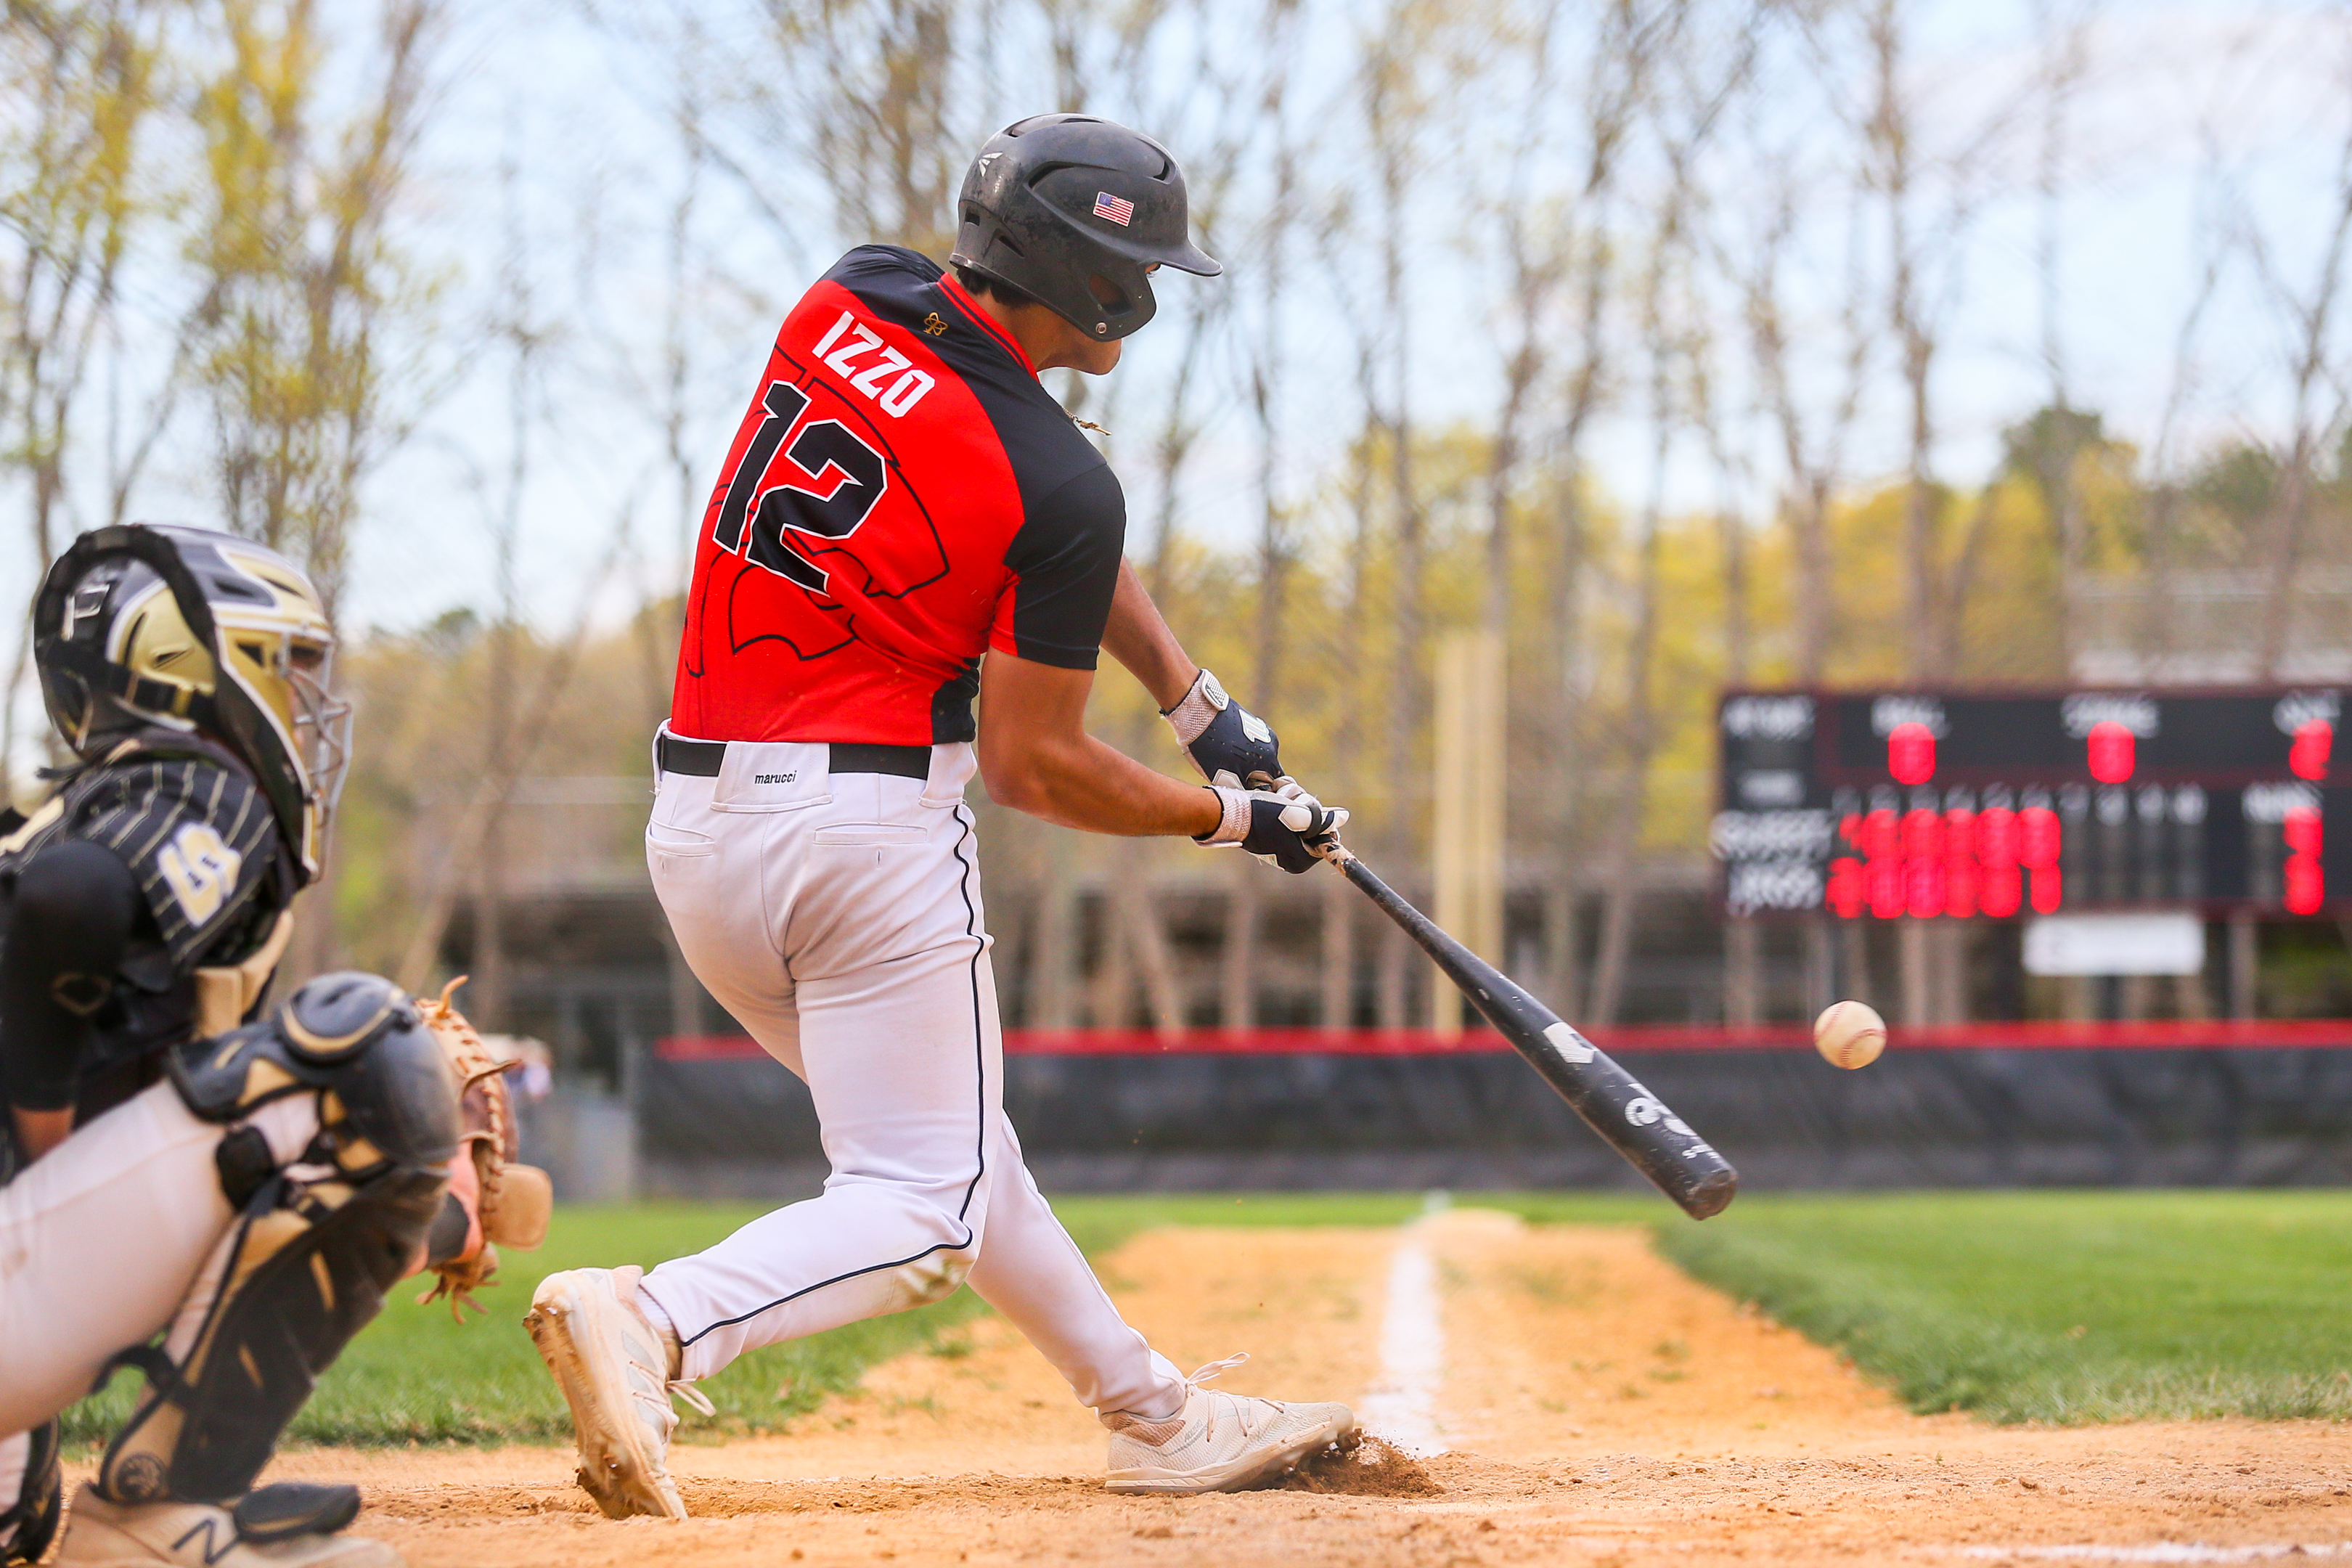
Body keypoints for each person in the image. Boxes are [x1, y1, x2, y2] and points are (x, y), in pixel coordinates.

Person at [526, 113, 1356, 1520]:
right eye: (1134, 271)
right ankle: (656, 1322)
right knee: (926, 1202)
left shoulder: (855, 291)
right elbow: (1039, 768)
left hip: (699, 832)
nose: (1145, 299)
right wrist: (1225, 819)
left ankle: (1153, 1416)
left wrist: (1197, 698)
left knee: (963, 1152)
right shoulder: (1061, 478)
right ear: (1083, 278)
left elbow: (1055, 540)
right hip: (863, 846)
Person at [0, 525, 464, 1568]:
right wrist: (47, 1144)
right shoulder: (193, 777)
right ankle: (155, 1514)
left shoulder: (75, 810)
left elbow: (238, 1195)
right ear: (206, 669)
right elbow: (68, 908)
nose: (302, 711)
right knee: (372, 1056)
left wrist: (440, 1221)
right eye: (285, 671)